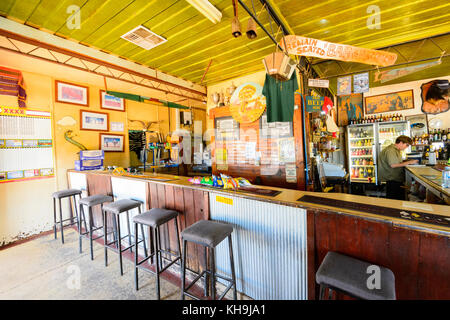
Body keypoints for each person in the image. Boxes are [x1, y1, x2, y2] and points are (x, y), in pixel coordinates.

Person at [378, 135, 418, 200]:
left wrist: (406, 161)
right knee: (394, 201)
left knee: (397, 200)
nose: (406, 147)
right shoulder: (391, 150)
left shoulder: (396, 150)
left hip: (395, 179)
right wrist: (409, 162)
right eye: (407, 145)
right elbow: (393, 165)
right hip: (392, 180)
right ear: (401, 142)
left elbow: (397, 162)